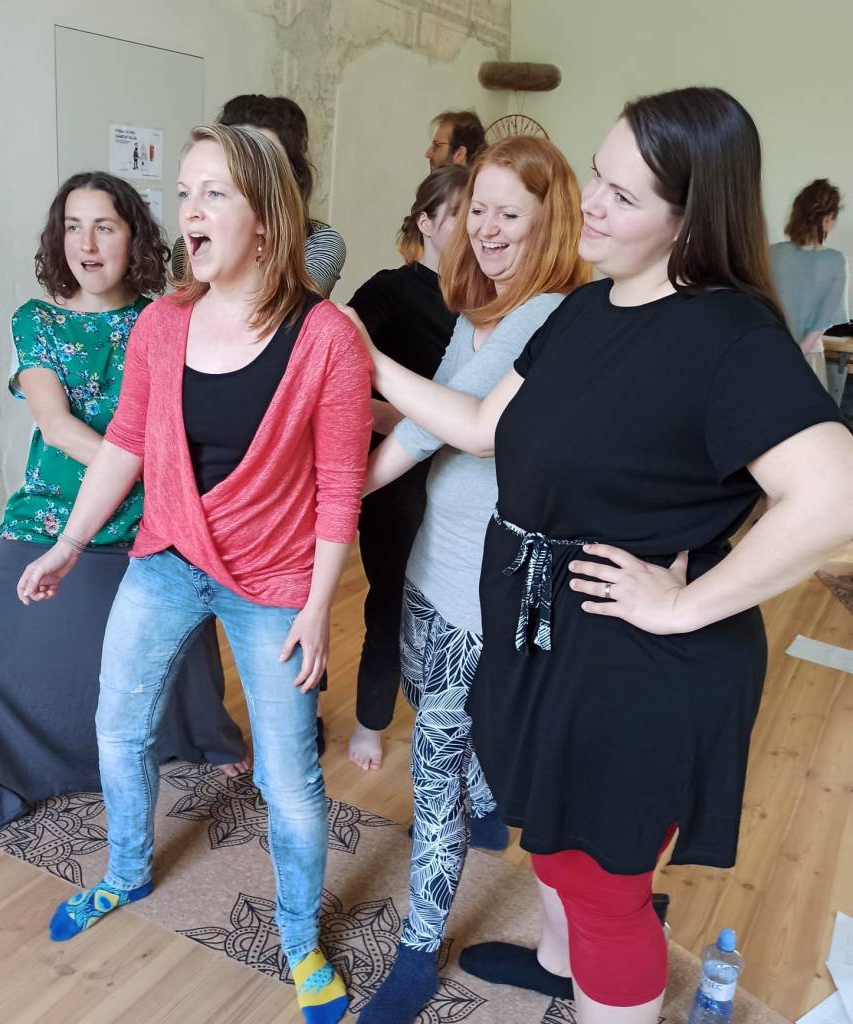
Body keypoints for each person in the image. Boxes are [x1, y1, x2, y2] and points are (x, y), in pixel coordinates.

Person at [344, 87, 853, 1024]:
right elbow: (482, 426)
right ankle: (557, 960)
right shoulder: (586, 308)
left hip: (635, 657)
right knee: (557, 844)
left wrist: (683, 604)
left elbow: (835, 493)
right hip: (552, 636)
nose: (593, 206)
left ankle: (596, 972)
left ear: (690, 216)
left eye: (624, 196)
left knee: (604, 887)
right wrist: (366, 359)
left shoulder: (727, 333)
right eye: (597, 178)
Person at [18, 125, 371, 1024]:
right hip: (167, 558)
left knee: (290, 780)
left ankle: (300, 938)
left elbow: (340, 485)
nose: (190, 212)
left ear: (267, 216)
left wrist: (318, 606)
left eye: (214, 193)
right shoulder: (164, 322)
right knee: (119, 724)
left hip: (274, 579)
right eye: (184, 193)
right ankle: (127, 871)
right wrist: (67, 543)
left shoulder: (327, 339)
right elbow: (127, 444)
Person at [0, 172, 247, 861]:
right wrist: (144, 468)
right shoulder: (36, 321)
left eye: (105, 226)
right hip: (46, 519)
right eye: (73, 227)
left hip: (145, 524)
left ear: (133, 236)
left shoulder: (167, 319)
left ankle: (203, 734)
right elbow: (54, 423)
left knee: (185, 627)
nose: (87, 243)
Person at [353, 136, 590, 1024]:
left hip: (474, 590)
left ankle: (417, 951)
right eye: (477, 209)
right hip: (433, 560)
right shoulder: (485, 308)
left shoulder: (547, 314)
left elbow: (466, 429)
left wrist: (339, 492)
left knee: (433, 772)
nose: (486, 229)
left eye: (508, 214)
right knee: (433, 714)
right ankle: (487, 811)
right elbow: (429, 417)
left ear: (549, 221)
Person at [346, 164, 468, 772]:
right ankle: (371, 721)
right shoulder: (390, 290)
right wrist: (410, 421)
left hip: (465, 478)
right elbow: (338, 374)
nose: (479, 226)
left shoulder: (489, 302)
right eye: (463, 213)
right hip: (397, 480)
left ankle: (447, 721)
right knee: (391, 600)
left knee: (454, 608)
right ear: (426, 222)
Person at [171, 94, 346, 298]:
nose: (254, 172)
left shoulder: (320, 242)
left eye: (267, 160)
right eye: (239, 155)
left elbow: (292, 309)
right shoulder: (190, 246)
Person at [769, 179, 849, 389]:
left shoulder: (771, 254)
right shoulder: (835, 261)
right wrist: (796, 354)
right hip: (807, 356)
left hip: (770, 350)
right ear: (828, 218)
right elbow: (821, 323)